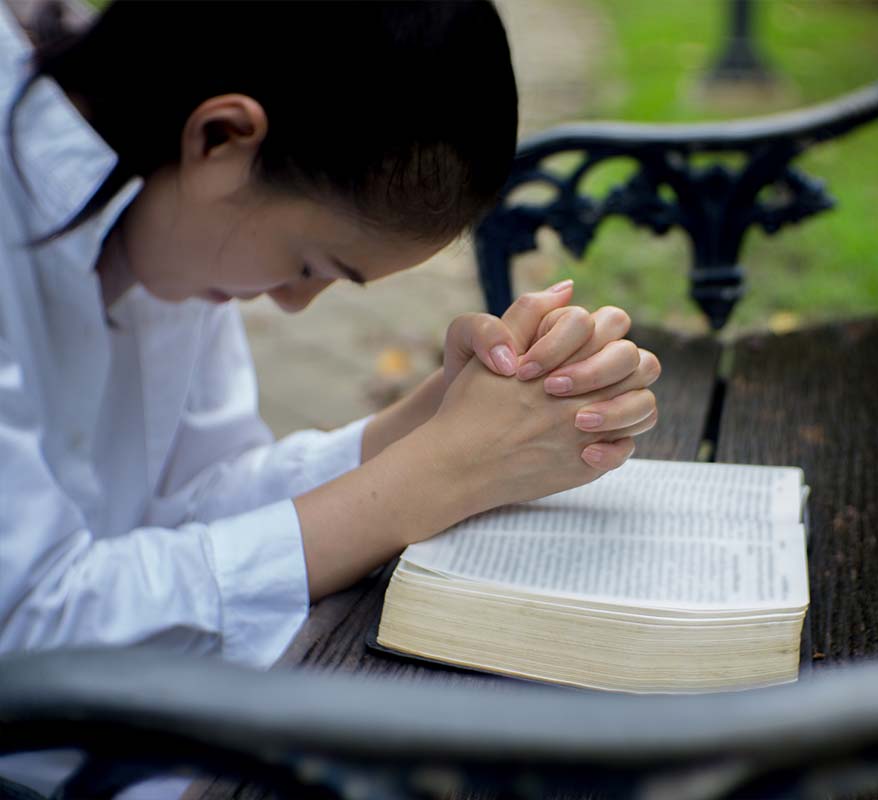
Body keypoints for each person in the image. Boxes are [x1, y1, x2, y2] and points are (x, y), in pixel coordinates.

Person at [0, 1, 659, 796]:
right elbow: (28, 641)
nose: (289, 303)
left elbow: (186, 502)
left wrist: (419, 426)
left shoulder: (168, 211)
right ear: (220, 138)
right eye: (310, 263)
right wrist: (432, 480)